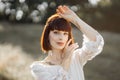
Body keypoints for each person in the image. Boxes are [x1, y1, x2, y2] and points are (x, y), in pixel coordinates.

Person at [30, 5, 104, 80]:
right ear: (47, 35)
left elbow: (96, 41)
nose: (61, 38)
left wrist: (75, 19)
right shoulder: (39, 68)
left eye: (65, 33)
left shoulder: (76, 57)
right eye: (56, 32)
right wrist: (66, 59)